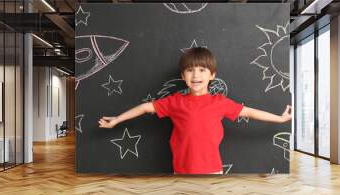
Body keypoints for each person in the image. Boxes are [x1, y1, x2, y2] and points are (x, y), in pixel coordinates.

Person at [99, 47, 292, 175]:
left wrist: (280, 119)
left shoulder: (219, 102)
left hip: (212, 170)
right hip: (181, 170)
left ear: (212, 75)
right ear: (183, 76)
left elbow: (249, 112)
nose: (196, 75)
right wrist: (117, 119)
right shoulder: (175, 101)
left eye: (202, 70)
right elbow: (144, 107)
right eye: (190, 70)